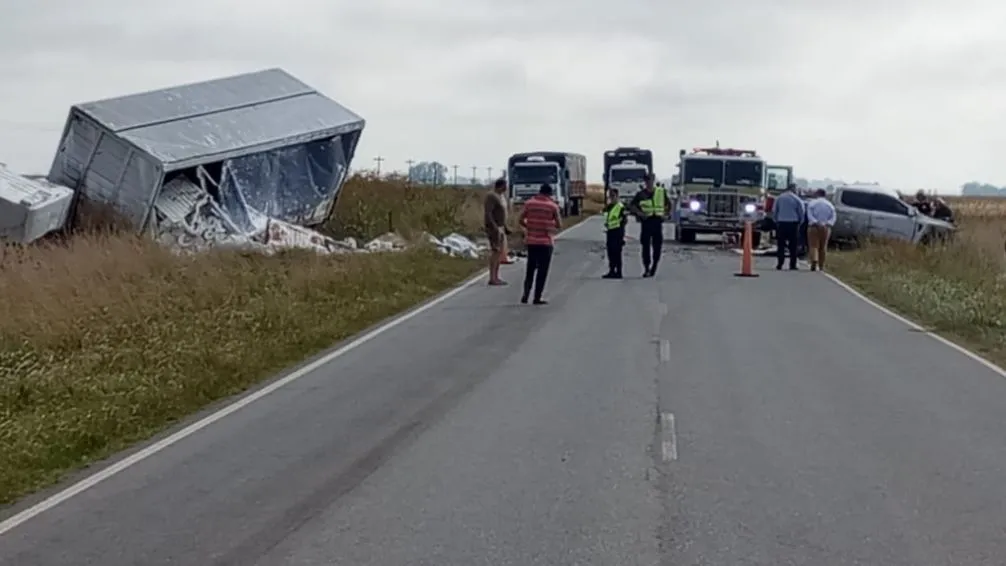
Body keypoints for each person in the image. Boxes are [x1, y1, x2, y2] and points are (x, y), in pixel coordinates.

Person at [518, 183, 562, 305]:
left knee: (530, 269)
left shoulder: (529, 204)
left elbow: (520, 220)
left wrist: (530, 227)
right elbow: (559, 225)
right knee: (542, 271)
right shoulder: (553, 206)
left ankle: (525, 295)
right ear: (549, 193)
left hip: (531, 241)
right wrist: (548, 226)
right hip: (545, 242)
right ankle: (537, 297)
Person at [628, 174, 668, 277]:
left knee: (657, 246)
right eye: (647, 180)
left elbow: (668, 204)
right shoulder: (641, 194)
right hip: (646, 222)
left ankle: (654, 266)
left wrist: (666, 214)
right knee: (645, 246)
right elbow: (632, 206)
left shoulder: (660, 192)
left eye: (650, 180)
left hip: (657, 222)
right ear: (645, 181)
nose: (649, 182)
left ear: (653, 180)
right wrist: (640, 213)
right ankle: (646, 268)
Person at [772, 183, 805, 270]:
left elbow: (774, 210)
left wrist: (776, 221)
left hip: (781, 223)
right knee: (793, 245)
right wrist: (800, 222)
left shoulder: (779, 198)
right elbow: (801, 212)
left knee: (781, 245)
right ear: (794, 189)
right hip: (793, 223)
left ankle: (780, 264)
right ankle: (792, 264)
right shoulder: (797, 199)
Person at [483, 178, 509, 285]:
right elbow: (488, 213)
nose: (507, 188)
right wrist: (494, 227)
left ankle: (496, 277)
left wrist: (505, 227)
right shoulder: (491, 196)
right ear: (501, 186)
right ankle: (492, 277)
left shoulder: (501, 197)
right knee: (495, 251)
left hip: (500, 227)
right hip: (495, 228)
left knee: (499, 253)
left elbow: (502, 213)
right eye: (505, 186)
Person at [804, 188, 836, 271]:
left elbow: (809, 215)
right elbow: (833, 217)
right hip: (826, 227)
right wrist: (827, 223)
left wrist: (815, 222)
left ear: (817, 194)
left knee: (813, 245)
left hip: (814, 227)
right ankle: (821, 265)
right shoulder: (830, 205)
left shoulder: (812, 203)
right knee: (823, 246)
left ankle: (814, 260)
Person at [602, 188, 628, 278]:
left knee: (617, 253)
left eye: (613, 196)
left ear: (617, 196)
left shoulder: (620, 207)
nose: (611, 198)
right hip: (610, 232)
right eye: (610, 196)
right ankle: (612, 270)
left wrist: (622, 235)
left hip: (618, 232)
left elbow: (624, 221)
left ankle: (619, 272)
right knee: (610, 252)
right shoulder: (609, 207)